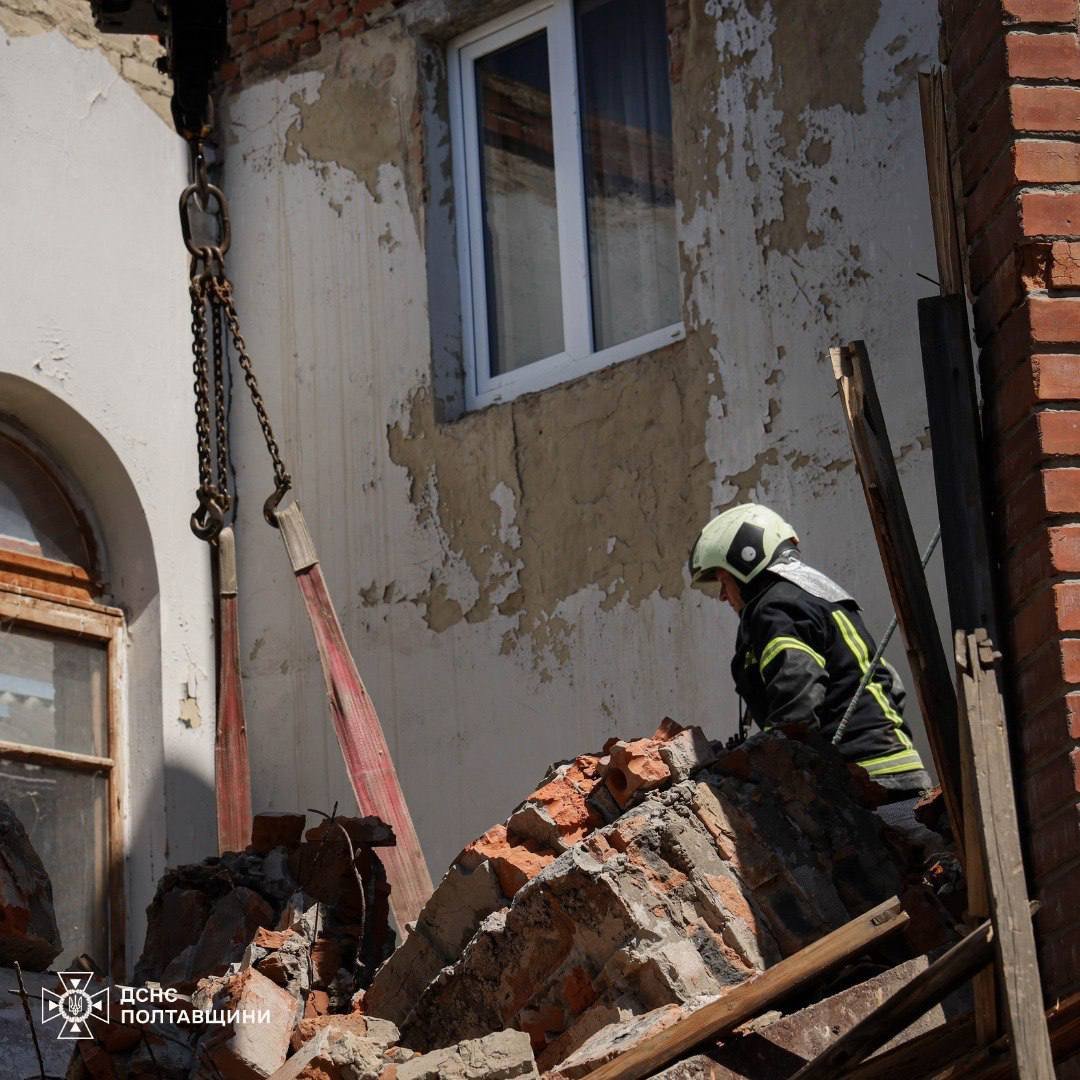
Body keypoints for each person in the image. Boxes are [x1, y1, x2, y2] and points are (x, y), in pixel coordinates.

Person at [689, 503, 933, 815]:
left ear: (746, 561)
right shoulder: (819, 594)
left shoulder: (775, 608)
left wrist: (766, 763)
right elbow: (891, 684)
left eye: (724, 580)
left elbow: (797, 695)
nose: (723, 595)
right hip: (899, 771)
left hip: (863, 784)